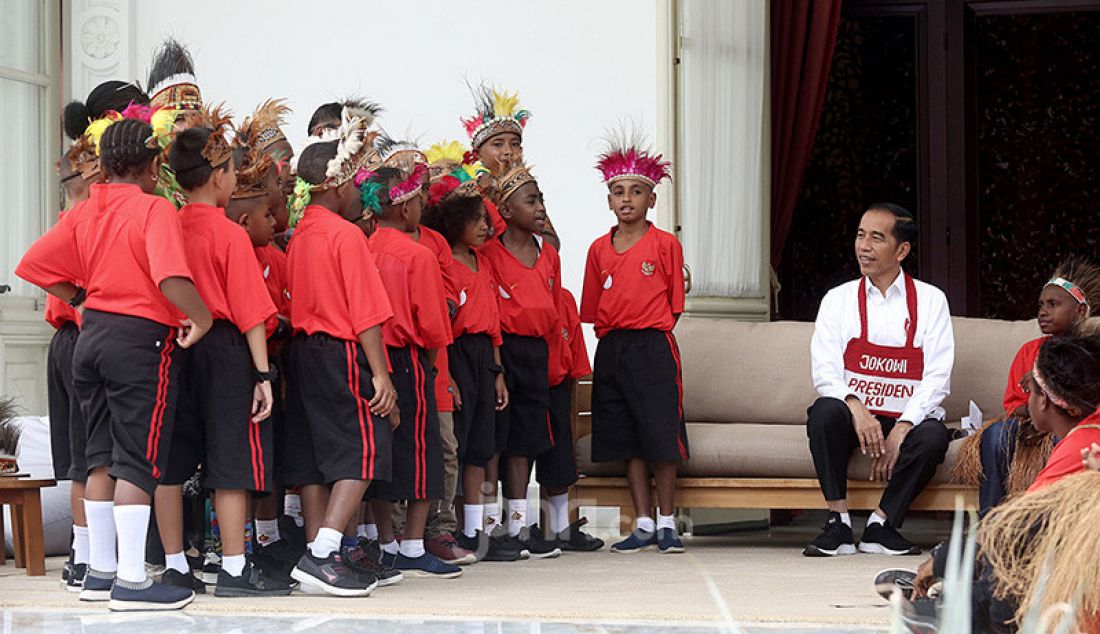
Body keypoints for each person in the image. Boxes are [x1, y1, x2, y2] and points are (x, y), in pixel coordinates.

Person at [16, 115, 213, 611]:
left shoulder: (86, 209)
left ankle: (100, 571)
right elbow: (170, 277)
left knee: (99, 455)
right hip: (140, 341)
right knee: (139, 457)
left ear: (104, 167)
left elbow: (33, 264)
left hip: (93, 339)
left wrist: (81, 297)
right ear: (151, 167)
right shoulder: (155, 209)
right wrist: (200, 318)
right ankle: (132, 580)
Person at [159, 109, 289, 598]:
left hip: (175, 345)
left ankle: (175, 565)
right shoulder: (230, 234)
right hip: (225, 349)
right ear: (218, 177)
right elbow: (251, 311)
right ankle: (234, 569)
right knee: (234, 456)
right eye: (233, 170)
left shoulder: (168, 225)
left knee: (170, 461)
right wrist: (263, 375)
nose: (235, 179)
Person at [896, 332, 1100, 633]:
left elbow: (1014, 530)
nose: (1026, 398)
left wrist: (941, 561)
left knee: (1009, 562)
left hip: (1074, 611)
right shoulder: (1089, 431)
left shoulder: (1080, 447)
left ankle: (953, 613)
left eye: (1028, 389)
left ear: (1044, 399)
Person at [283, 107, 397, 597]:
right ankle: (324, 551)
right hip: (341, 352)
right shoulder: (345, 235)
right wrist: (381, 375)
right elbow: (366, 313)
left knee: (314, 458)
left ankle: (316, 548)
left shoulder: (299, 235)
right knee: (363, 451)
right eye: (353, 181)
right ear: (335, 184)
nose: (358, 192)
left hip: (303, 353)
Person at [803, 202, 954, 558]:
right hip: (857, 418)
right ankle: (837, 522)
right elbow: (825, 370)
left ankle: (881, 525)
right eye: (859, 235)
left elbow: (937, 376)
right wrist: (857, 408)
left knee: (933, 437)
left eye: (876, 238)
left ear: (902, 250)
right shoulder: (837, 300)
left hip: (905, 415)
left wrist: (903, 426)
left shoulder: (932, 301)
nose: (863, 246)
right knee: (823, 413)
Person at [580, 132, 686, 554]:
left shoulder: (665, 245)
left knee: (660, 435)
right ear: (609, 201)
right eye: (618, 192)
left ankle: (666, 522)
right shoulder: (597, 250)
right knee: (629, 439)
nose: (627, 199)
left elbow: (674, 305)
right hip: (612, 349)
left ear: (651, 200)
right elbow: (592, 308)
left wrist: (646, 329)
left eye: (637, 191)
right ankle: (641, 522)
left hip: (652, 348)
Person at [358, 164, 462, 579]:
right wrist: (429, 368)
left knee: (381, 451)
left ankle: (386, 542)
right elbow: (435, 326)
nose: (421, 206)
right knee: (422, 454)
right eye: (417, 199)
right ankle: (414, 545)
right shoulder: (417, 255)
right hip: (407, 360)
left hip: (365, 361)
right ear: (403, 209)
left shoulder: (362, 247)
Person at [421, 157, 521, 562]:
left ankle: (476, 530)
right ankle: (450, 524)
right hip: (455, 355)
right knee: (455, 446)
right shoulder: (446, 262)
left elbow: (493, 322)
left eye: (484, 217)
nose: (486, 225)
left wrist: (497, 372)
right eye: (474, 218)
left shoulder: (484, 260)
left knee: (481, 446)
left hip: (484, 356)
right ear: (453, 220)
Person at [955, 256, 1100, 514]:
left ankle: (1057, 514)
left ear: (1079, 311)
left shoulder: (1088, 352)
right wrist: (1032, 409)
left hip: (1069, 426)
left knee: (1063, 439)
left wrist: (1044, 386)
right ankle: (991, 516)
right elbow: (1013, 406)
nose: (1043, 312)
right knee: (995, 435)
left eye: (1053, 304)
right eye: (1041, 305)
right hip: (1030, 427)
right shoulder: (1029, 351)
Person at [477, 159, 563, 558]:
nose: (541, 207)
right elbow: (491, 312)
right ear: (507, 211)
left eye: (542, 199)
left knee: (525, 441)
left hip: (536, 353)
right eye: (532, 201)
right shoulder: (490, 255)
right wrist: (496, 367)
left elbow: (554, 307)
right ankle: (488, 527)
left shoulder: (548, 254)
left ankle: (518, 524)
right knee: (497, 440)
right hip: (502, 351)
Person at [48, 113, 111, 592]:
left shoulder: (65, 220)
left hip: (63, 342)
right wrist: (82, 301)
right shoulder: (86, 221)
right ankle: (89, 556)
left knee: (77, 456)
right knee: (90, 456)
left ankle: (81, 554)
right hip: (83, 338)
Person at [460, 84, 558, 246]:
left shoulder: (525, 187)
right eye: (498, 145)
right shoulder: (468, 192)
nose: (508, 152)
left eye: (514, 144)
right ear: (477, 154)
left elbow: (551, 241)